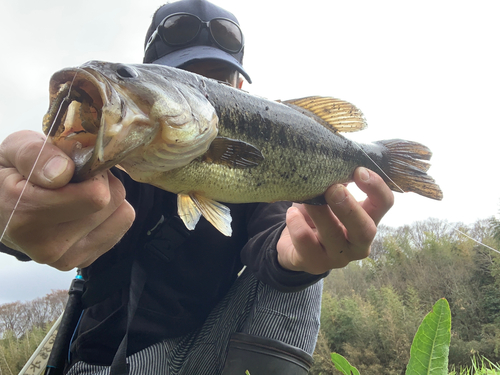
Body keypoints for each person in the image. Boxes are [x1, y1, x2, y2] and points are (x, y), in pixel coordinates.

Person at [0, 0, 394, 374]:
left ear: (238, 91)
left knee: (306, 239)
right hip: (109, 362)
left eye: (217, 82)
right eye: (188, 77)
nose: (207, 88)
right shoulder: (112, 162)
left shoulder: (261, 174)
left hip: (213, 349)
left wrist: (301, 255)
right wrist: (13, 213)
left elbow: (275, 235)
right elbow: (35, 206)